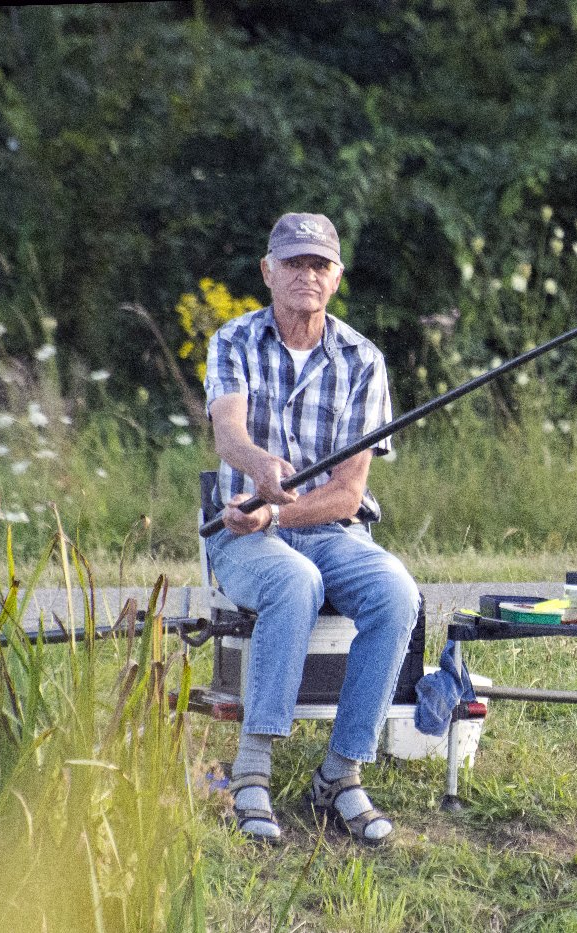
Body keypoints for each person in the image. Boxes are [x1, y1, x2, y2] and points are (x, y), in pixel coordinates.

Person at [203, 212, 418, 846]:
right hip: (243, 534)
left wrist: (281, 510)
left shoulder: (363, 359)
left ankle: (341, 774)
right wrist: (258, 468)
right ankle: (253, 771)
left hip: (331, 530)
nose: (306, 274)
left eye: (319, 264)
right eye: (294, 263)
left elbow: (349, 493)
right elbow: (229, 432)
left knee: (398, 593)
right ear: (267, 271)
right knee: (293, 580)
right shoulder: (234, 340)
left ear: (336, 277)